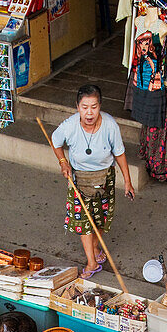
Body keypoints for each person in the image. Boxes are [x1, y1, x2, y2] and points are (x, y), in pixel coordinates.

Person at [51, 84, 135, 279]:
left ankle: (95, 247)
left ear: (100, 106)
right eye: (84, 107)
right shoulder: (69, 125)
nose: (89, 113)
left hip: (104, 178)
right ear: (77, 107)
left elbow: (120, 154)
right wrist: (63, 162)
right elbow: (55, 142)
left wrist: (128, 182)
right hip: (78, 179)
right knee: (83, 222)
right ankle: (91, 261)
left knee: (101, 219)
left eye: (94, 107)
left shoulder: (110, 125)